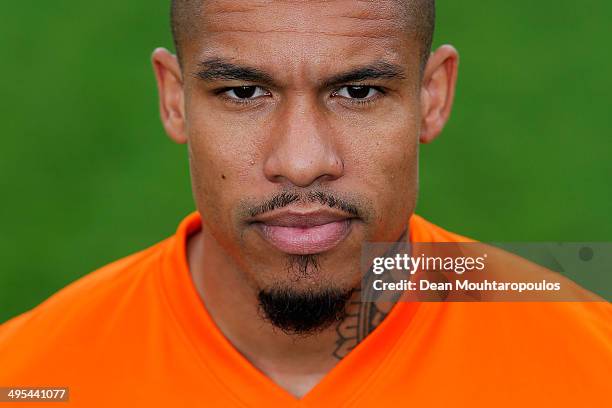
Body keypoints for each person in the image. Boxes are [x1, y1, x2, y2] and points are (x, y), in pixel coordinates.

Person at [1, 0, 610, 406]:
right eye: (243, 91)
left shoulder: (594, 367)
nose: (299, 160)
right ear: (174, 98)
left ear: (432, 96)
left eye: (358, 90)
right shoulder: (24, 379)